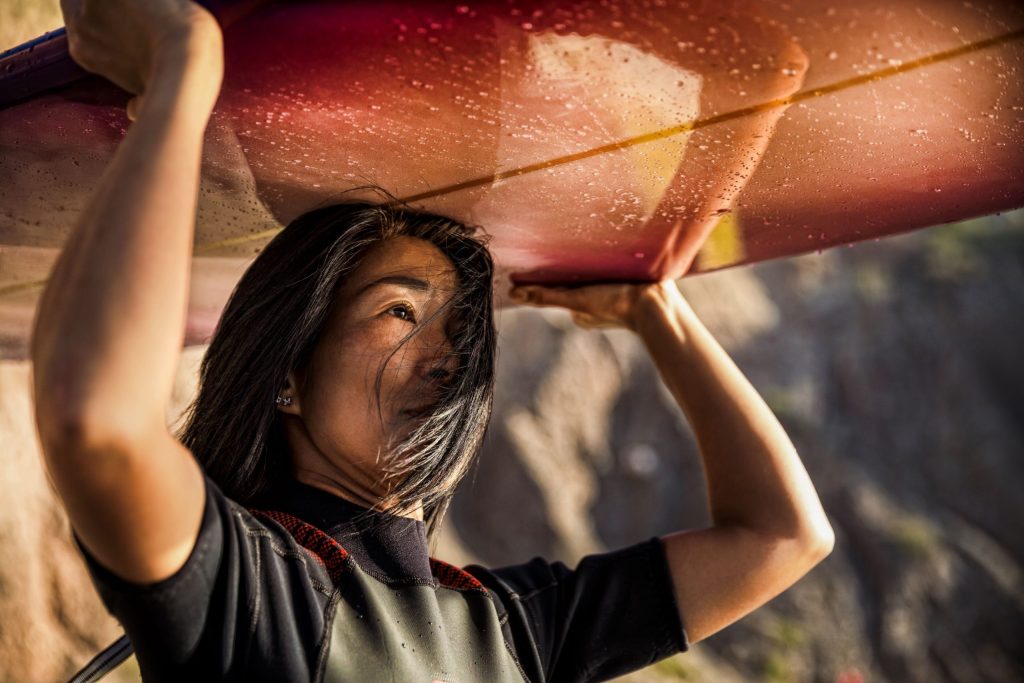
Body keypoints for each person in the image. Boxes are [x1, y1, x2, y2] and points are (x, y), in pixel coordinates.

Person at [34, 1, 835, 681]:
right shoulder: (247, 585)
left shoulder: (517, 628)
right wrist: (183, 67)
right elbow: (99, 422)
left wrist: (654, 310)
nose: (451, 354)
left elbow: (784, 536)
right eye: (398, 313)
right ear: (289, 376)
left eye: (463, 329)